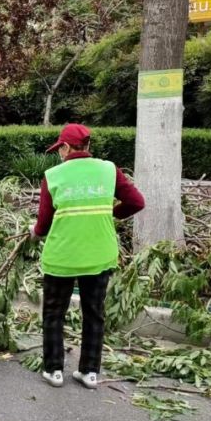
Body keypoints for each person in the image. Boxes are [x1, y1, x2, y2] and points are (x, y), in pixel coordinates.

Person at [32, 123, 145, 388]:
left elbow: (44, 224)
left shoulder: (53, 175)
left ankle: (54, 370)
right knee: (94, 313)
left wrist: (33, 233)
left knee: (53, 314)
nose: (59, 154)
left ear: (66, 147)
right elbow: (136, 202)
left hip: (62, 257)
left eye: (60, 149)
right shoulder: (108, 170)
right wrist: (111, 213)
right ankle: (90, 372)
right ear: (88, 145)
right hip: (99, 256)